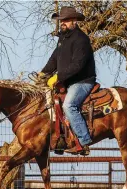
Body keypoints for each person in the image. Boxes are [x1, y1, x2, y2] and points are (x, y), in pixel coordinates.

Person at [39, 6, 96, 154]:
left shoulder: (81, 40)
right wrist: (43, 73)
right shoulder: (63, 39)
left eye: (66, 20)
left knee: (69, 106)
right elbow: (54, 59)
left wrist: (58, 76)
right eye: (61, 20)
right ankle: (61, 140)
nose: (62, 23)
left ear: (74, 21)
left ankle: (84, 142)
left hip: (82, 81)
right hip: (67, 81)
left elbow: (78, 65)